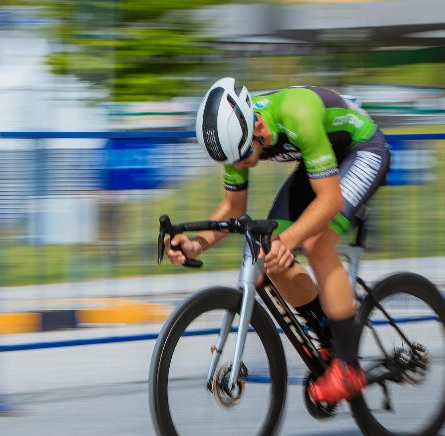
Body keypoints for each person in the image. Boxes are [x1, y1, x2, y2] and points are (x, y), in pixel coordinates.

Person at [165, 77, 391, 404]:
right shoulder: (237, 138)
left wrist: (290, 240)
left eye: (243, 156)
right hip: (324, 157)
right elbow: (232, 208)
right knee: (266, 251)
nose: (240, 165)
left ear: (256, 125)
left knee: (315, 244)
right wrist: (194, 244)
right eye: (233, 161)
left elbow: (329, 202)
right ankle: (328, 330)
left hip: (363, 149)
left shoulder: (297, 113)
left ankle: (348, 367)